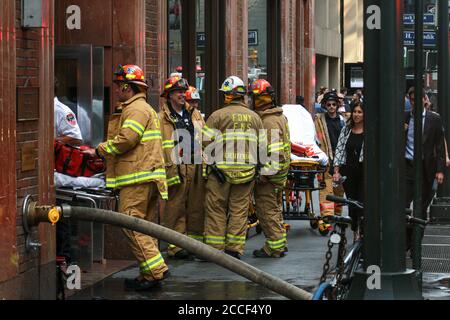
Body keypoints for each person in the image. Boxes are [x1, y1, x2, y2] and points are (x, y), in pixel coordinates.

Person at [82, 64, 170, 291]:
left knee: (131, 223)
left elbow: (127, 139)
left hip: (136, 177)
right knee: (144, 226)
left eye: (119, 86)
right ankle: (146, 274)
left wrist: (100, 150)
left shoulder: (136, 109)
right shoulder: (138, 108)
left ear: (127, 87)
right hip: (144, 176)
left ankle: (155, 270)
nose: (116, 90)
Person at [202, 76, 264, 259]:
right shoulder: (255, 118)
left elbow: (205, 143)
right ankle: (234, 249)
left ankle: (214, 250)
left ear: (229, 95)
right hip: (246, 174)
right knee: (239, 210)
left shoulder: (217, 116)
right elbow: (263, 148)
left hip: (219, 174)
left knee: (216, 210)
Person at [159, 77, 206, 259]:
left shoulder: (193, 113)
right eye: (178, 91)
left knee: (196, 206)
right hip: (175, 166)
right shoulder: (161, 118)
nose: (182, 95)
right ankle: (176, 246)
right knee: (175, 206)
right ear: (169, 95)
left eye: (183, 91)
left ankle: (193, 244)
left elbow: (205, 135)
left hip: (195, 163)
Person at [248, 79, 290, 258]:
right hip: (278, 175)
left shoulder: (268, 121)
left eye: (256, 99)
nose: (254, 102)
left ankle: (274, 247)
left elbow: (274, 152)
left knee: (267, 210)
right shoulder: (278, 116)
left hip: (269, 176)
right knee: (274, 208)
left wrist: (265, 174)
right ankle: (280, 241)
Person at [404, 86, 445, 219]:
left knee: (421, 206)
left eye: (417, 99)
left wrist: (440, 170)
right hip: (407, 165)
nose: (414, 102)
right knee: (403, 203)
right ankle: (407, 236)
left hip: (425, 167)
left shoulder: (434, 119)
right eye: (411, 100)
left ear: (424, 99)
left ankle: (417, 236)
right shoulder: (404, 117)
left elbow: (439, 146)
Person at [54, 77, 83, 265]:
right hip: (51, 172)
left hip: (60, 172)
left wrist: (55, 141)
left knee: (61, 220)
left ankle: (65, 260)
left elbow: (76, 138)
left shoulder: (61, 111)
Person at [314, 91, 346, 234]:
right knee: (326, 188)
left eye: (334, 104)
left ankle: (337, 216)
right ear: (324, 106)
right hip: (326, 159)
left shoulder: (342, 120)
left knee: (339, 189)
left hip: (340, 160)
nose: (332, 107)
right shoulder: (319, 121)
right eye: (329, 104)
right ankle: (327, 218)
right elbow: (317, 138)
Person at [333, 102, 365, 237]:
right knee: (352, 202)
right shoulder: (346, 129)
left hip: (364, 172)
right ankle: (355, 229)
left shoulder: (369, 130)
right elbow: (339, 149)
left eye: (360, 112)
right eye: (355, 112)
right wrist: (336, 171)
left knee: (362, 201)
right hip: (349, 172)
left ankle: (361, 230)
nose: (356, 115)